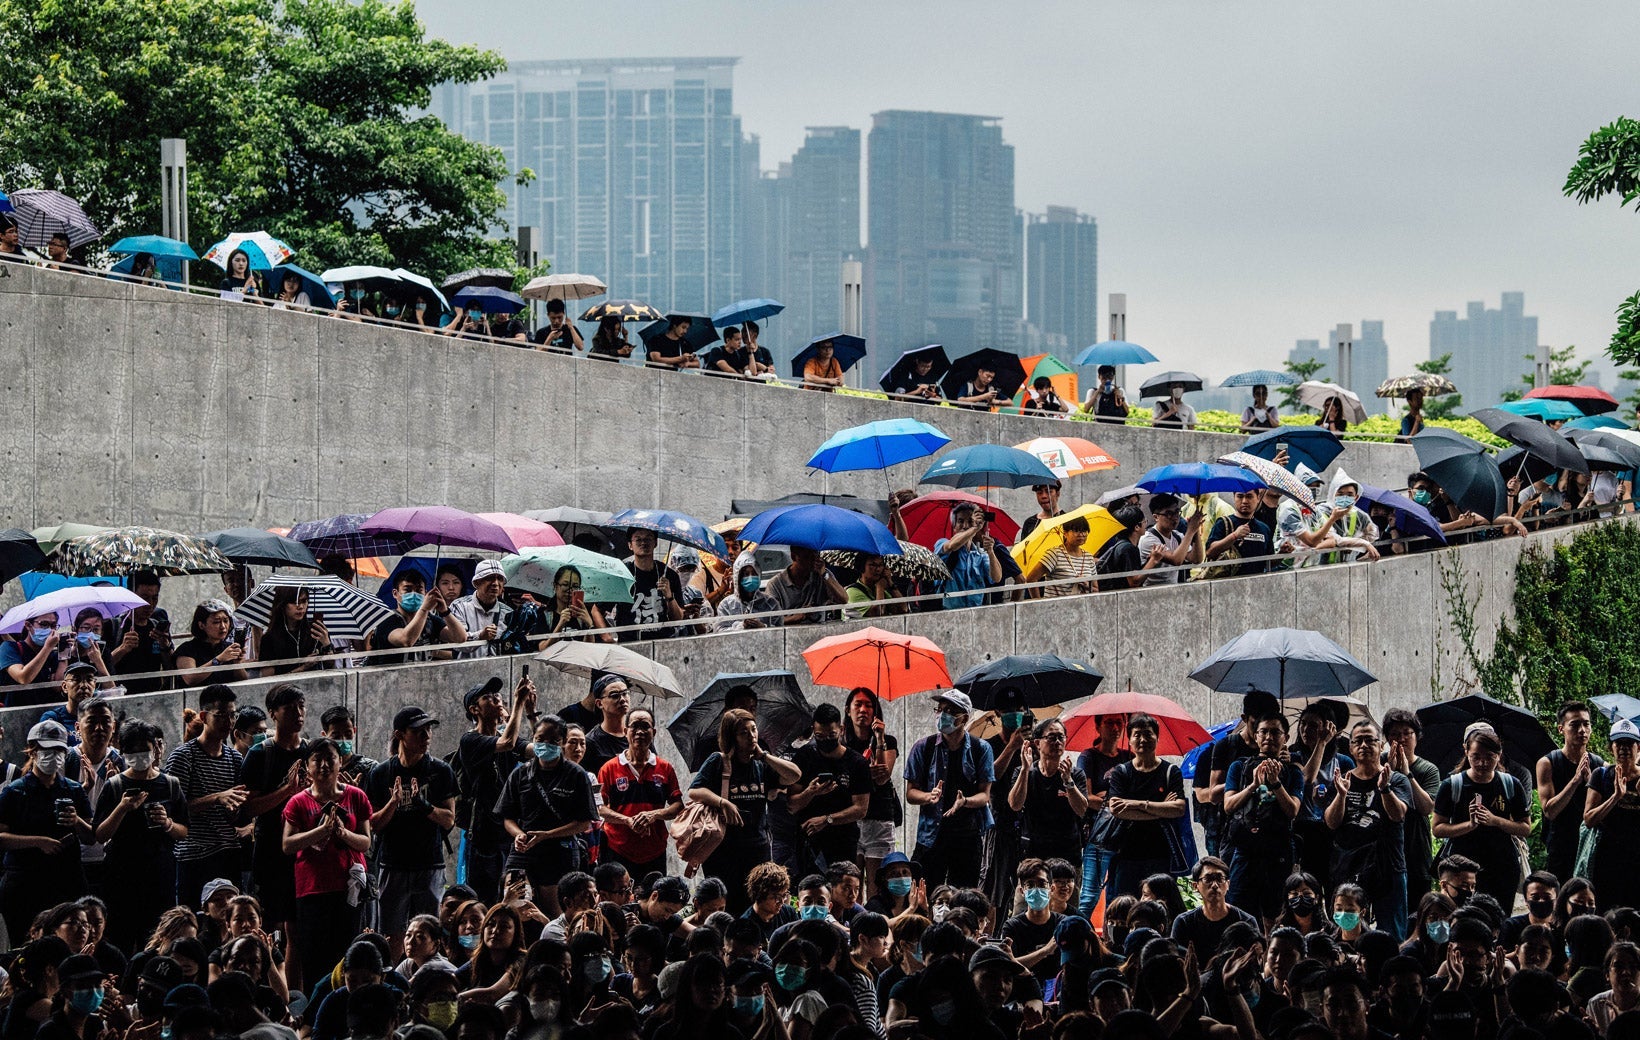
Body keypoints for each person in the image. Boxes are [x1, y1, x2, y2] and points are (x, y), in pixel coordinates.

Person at [365, 706, 458, 955]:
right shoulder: (381, 773)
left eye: (428, 730)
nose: (426, 736)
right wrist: (393, 804)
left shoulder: (440, 771)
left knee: (429, 932)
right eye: (418, 731)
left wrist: (424, 806)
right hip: (393, 864)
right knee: (392, 934)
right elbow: (372, 823)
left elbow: (449, 820)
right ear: (400, 735)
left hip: (429, 864)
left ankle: (426, 978)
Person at [281, 737, 371, 984]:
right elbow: (288, 844)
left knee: (348, 952)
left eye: (330, 758)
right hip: (312, 889)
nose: (324, 765)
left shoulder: (356, 797)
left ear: (340, 762)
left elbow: (365, 841)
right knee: (313, 955)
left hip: (348, 889)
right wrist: (321, 832)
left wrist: (342, 833)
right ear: (307, 767)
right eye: (316, 760)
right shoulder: (298, 802)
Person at [92, 719, 187, 953]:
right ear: (123, 752)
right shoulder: (115, 785)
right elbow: (100, 833)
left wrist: (166, 823)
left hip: (159, 873)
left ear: (155, 747)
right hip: (122, 875)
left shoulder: (170, 784)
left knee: (158, 940)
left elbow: (183, 830)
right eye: (132, 751)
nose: (139, 755)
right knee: (120, 939)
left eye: (144, 749)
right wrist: (122, 808)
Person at [496, 713, 597, 918]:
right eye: (540, 739)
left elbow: (584, 822)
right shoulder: (521, 774)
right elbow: (507, 816)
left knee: (554, 910)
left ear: (561, 743)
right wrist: (518, 835)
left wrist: (548, 834)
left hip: (559, 852)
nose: (545, 745)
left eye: (553, 741)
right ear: (533, 738)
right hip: (523, 851)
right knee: (515, 908)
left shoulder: (576, 775)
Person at [240, 684, 308, 983]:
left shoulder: (311, 751)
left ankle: (293, 993)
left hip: (303, 851)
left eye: (301, 706)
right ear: (273, 714)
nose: (298, 714)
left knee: (297, 928)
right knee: (266, 927)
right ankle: (266, 987)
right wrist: (287, 791)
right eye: (290, 708)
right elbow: (247, 809)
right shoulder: (260, 754)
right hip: (269, 851)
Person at [1326, 720, 1414, 940]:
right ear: (1351, 747)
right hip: (1350, 865)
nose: (1364, 745)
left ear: (1381, 743)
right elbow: (1331, 822)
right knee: (1347, 929)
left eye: (1370, 740)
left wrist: (1384, 788)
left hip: (1388, 864)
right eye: (1358, 741)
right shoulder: (1342, 780)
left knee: (1391, 930)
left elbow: (1398, 814)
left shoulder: (1397, 779)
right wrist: (1341, 795)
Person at [165, 684, 247, 907]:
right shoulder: (183, 756)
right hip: (194, 854)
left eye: (232, 715)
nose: (228, 722)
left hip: (228, 851)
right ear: (204, 716)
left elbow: (237, 811)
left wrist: (235, 810)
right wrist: (216, 797)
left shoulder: (235, 758)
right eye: (221, 715)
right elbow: (173, 809)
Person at [1433, 724, 1532, 909]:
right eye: (1476, 757)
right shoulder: (1452, 785)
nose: (1482, 763)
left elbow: (1525, 828)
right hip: (1462, 869)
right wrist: (1469, 825)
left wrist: (1495, 821)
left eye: (1489, 757)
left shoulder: (1511, 784)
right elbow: (1438, 828)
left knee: (1498, 920)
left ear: (1499, 754)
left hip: (1502, 866)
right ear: (1466, 751)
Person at [455, 675, 534, 903]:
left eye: (497, 695)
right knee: (484, 899)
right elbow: (507, 744)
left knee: (516, 898)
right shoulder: (470, 741)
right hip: (483, 837)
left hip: (510, 834)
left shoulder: (505, 734)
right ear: (474, 709)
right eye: (487, 697)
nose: (497, 699)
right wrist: (518, 702)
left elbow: (540, 749)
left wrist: (530, 712)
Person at [904, 691, 995, 888]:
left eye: (950, 711)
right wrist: (928, 796)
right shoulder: (923, 747)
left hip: (967, 836)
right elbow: (911, 794)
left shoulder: (981, 749)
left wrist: (965, 802)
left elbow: (984, 795)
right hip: (931, 837)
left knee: (964, 898)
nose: (942, 715)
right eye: (940, 710)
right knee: (923, 894)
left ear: (964, 718)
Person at [1222, 713, 1303, 924]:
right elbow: (1228, 806)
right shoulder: (1239, 767)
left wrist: (1276, 783)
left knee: (1275, 913)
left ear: (1285, 737)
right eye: (1263, 732)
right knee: (1239, 909)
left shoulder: (1293, 772)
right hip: (1245, 849)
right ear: (1256, 737)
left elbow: (1293, 810)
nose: (1269, 737)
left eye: (1275, 732)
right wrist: (1253, 785)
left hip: (1278, 851)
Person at [1103, 713, 1186, 897]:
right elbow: (1117, 810)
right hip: (1126, 854)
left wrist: (1137, 803)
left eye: (1148, 734)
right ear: (1130, 740)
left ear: (1157, 737)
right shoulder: (1121, 772)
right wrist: (1161, 809)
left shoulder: (1170, 771)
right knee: (1125, 908)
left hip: (1162, 854)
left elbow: (1179, 808)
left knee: (1161, 906)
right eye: (1137, 734)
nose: (1143, 739)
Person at [597, 705, 683, 878]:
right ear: (625, 730)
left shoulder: (665, 768)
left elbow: (678, 806)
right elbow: (600, 808)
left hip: (654, 850)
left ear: (654, 732)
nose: (640, 731)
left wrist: (654, 815)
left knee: (653, 900)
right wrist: (628, 821)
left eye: (645, 726)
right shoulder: (609, 768)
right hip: (617, 849)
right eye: (635, 726)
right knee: (618, 901)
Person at [840, 687, 900, 896]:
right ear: (848, 710)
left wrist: (880, 738)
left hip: (879, 818)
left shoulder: (887, 741)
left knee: (877, 887)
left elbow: (883, 776)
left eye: (868, 705)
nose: (863, 710)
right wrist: (865, 773)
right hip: (850, 819)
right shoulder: (841, 743)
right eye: (858, 704)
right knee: (850, 885)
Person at [1381, 708, 1442, 906]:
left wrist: (1407, 774)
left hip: (1416, 848)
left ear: (1417, 737)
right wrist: (1388, 771)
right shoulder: (1379, 763)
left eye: (1407, 733)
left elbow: (1426, 808)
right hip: (1385, 848)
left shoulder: (1427, 769)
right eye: (1395, 734)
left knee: (1417, 910)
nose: (1402, 739)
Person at [1008, 719, 1089, 866]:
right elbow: (1015, 805)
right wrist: (1025, 770)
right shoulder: (1024, 772)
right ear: (1038, 743)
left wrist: (1068, 782)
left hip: (1067, 853)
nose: (1057, 742)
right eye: (1051, 737)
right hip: (1034, 854)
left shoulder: (1075, 774)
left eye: (1061, 737)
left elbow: (1082, 810)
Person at [1539, 700, 1602, 885]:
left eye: (1586, 724)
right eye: (1575, 724)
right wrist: (1575, 781)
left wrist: (1592, 783)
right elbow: (1549, 811)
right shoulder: (1548, 763)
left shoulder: (1599, 765)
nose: (1582, 730)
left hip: (1590, 844)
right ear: (1561, 729)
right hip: (1560, 844)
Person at [1075, 712, 1133, 914]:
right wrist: (1114, 802)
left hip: (1125, 835)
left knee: (1119, 894)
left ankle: (1111, 938)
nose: (1115, 727)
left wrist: (1107, 798)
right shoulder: (1088, 757)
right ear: (1098, 727)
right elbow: (1087, 798)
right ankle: (1079, 934)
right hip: (1098, 835)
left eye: (1119, 722)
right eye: (1109, 722)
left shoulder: (1129, 757)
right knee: (1089, 894)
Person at [1586, 718, 1640, 913]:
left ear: (1638, 748)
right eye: (1619, 743)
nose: (1624, 749)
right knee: (1606, 914)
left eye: (1630, 743)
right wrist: (1615, 797)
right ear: (1611, 748)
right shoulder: (1601, 776)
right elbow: (1589, 819)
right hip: (1607, 860)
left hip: (1637, 861)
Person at [369, 573, 466, 664]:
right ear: (395, 593)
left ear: (425, 593)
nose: (414, 594)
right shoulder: (387, 620)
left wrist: (445, 611)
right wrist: (424, 609)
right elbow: (406, 640)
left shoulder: (430, 620)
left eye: (419, 590)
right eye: (407, 590)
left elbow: (460, 638)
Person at [607, 528, 686, 640]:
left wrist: (669, 597)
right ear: (630, 545)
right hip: (629, 644)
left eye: (648, 538)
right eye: (638, 539)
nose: (643, 543)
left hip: (662, 642)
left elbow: (678, 619)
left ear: (655, 543)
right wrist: (607, 637)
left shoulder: (669, 575)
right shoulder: (621, 574)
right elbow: (597, 610)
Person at [107, 572, 173, 694]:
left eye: (155, 598)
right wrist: (122, 649)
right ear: (131, 596)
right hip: (120, 695)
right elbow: (102, 666)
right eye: (144, 598)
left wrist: (165, 646)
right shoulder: (113, 627)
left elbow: (171, 667)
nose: (150, 604)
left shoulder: (156, 626)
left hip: (154, 695)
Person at [936, 503, 1004, 608]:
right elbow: (951, 546)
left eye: (970, 521)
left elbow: (996, 578)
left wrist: (990, 552)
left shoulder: (980, 554)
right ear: (954, 526)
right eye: (960, 521)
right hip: (949, 614)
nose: (965, 526)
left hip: (975, 613)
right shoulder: (942, 543)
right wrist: (974, 528)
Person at [254, 586, 333, 675]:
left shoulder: (315, 631)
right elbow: (267, 676)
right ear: (282, 605)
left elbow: (331, 666)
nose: (300, 607)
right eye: (294, 602)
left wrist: (326, 644)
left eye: (304, 601)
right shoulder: (269, 638)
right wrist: (303, 667)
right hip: (284, 687)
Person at [1205, 489, 1274, 577]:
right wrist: (1234, 536)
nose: (1244, 501)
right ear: (1234, 497)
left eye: (1249, 496)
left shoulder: (1264, 528)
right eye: (1240, 496)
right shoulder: (1223, 523)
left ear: (1258, 498)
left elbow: (1269, 561)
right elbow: (1209, 552)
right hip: (1226, 584)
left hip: (1256, 584)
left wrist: (1282, 553)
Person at [449, 560, 510, 658]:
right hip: (465, 670)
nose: (495, 583)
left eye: (500, 579)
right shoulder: (459, 606)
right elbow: (458, 642)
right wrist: (480, 636)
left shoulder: (507, 613)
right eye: (489, 578)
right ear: (477, 583)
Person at [1025, 515, 1099, 596]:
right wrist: (1038, 603)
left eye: (1084, 531)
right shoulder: (1054, 554)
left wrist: (1087, 586)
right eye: (1076, 531)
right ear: (1065, 533)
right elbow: (1031, 579)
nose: (1081, 534)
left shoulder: (1089, 557)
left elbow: (1096, 590)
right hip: (1056, 607)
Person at [1138, 494, 1203, 585]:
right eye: (1169, 514)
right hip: (1151, 591)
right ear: (1156, 517)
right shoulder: (1148, 539)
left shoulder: (1177, 536)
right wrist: (1190, 531)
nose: (1175, 518)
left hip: (1172, 589)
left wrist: (1196, 530)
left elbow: (1196, 559)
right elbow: (1176, 560)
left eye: (1177, 512)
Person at [582, 674, 632, 775]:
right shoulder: (591, 742)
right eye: (614, 695)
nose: (622, 699)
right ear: (599, 703)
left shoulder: (638, 736)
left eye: (625, 693)